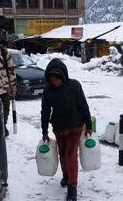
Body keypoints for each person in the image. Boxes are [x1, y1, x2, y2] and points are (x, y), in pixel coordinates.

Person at [41, 58, 92, 201]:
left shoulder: (75, 85)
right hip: (58, 127)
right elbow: (45, 111)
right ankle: (66, 176)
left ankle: (72, 188)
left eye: (57, 78)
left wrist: (88, 125)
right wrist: (44, 131)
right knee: (62, 155)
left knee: (71, 156)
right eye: (52, 79)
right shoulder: (48, 90)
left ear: (63, 76)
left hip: (75, 127)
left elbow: (83, 105)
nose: (54, 82)